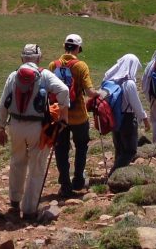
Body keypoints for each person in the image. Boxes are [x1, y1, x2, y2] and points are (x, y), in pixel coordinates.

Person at [0, 44, 69, 220]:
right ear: (38, 59)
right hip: (37, 127)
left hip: (15, 126)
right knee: (36, 166)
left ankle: (14, 201)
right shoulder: (43, 75)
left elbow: (3, 103)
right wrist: (63, 116)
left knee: (17, 162)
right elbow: (64, 90)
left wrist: (0, 127)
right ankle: (29, 209)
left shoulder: (13, 76)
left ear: (22, 59)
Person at [50, 33, 96, 197]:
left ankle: (64, 183)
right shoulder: (80, 66)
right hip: (78, 115)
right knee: (81, 146)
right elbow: (90, 92)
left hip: (59, 115)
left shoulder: (53, 65)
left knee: (61, 148)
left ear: (64, 47)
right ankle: (78, 180)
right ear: (78, 48)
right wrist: (100, 94)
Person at [101, 53, 149, 173]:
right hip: (127, 118)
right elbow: (136, 104)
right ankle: (115, 173)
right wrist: (145, 119)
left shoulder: (111, 80)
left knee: (119, 147)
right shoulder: (129, 83)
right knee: (131, 150)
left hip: (114, 116)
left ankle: (117, 174)